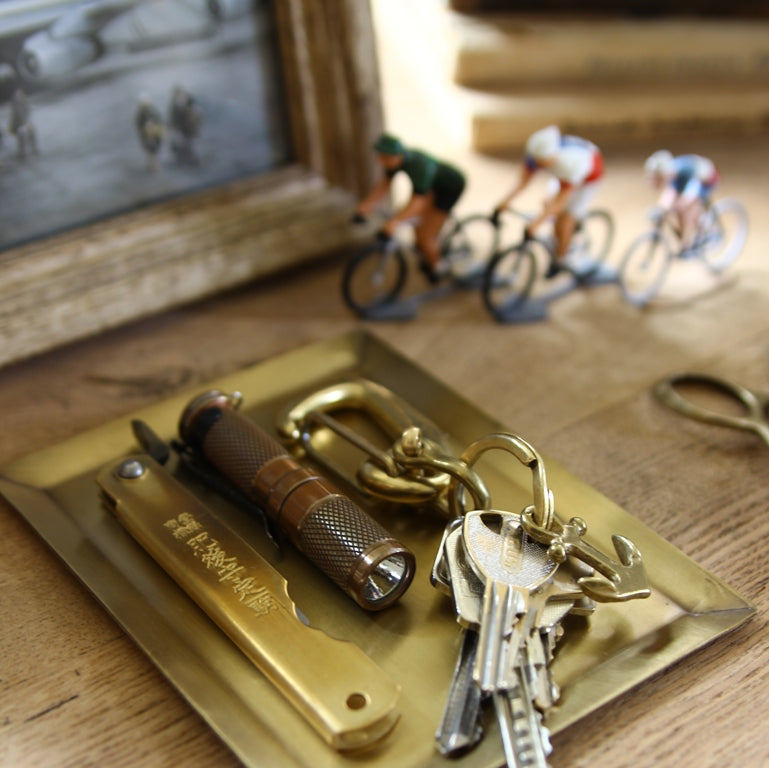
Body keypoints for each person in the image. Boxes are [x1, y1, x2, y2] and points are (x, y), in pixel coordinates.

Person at [354, 133, 466, 283]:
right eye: (380, 157)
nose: (381, 161)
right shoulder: (395, 162)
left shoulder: (419, 167)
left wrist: (395, 222)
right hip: (431, 187)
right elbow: (384, 185)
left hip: (449, 188)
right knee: (411, 219)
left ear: (396, 156)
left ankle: (439, 268)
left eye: (385, 157)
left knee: (425, 238)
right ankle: (429, 253)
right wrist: (365, 207)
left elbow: (417, 202)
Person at [495, 125, 604, 277]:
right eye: (537, 161)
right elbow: (522, 182)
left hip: (588, 176)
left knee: (566, 217)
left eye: (542, 162)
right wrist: (504, 202)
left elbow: (561, 202)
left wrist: (536, 224)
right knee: (547, 204)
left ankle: (560, 259)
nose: (538, 164)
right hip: (564, 172)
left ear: (551, 157)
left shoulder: (569, 164)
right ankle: (558, 238)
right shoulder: (537, 156)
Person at [644, 150, 719, 250]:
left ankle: (691, 239)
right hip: (685, 180)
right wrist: (660, 210)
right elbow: (667, 199)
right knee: (668, 209)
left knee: (687, 211)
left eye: (657, 179)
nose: (653, 182)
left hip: (703, 180)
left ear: (664, 174)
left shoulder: (684, 171)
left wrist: (678, 206)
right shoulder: (671, 175)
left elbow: (690, 197)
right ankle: (685, 241)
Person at [135, 95, 163, 172]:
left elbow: (159, 121)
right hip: (146, 137)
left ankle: (154, 168)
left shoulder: (153, 111)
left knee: (154, 153)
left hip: (155, 135)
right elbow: (139, 127)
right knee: (151, 154)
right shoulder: (140, 115)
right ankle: (154, 168)